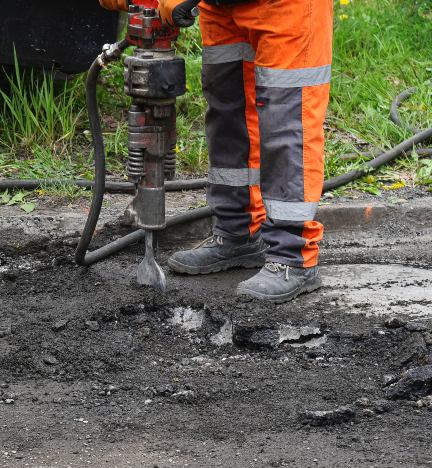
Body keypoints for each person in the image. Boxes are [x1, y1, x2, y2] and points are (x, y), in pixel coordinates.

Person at [100, 0, 333, 303]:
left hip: (287, 9)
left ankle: (293, 257)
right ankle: (238, 232)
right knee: (228, 113)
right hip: (223, 7)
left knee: (285, 122)